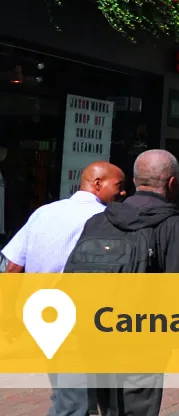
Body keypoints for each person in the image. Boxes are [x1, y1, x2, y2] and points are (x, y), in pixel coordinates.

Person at [68, 149, 179, 416]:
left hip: (95, 334)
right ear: (172, 183)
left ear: (135, 181)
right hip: (144, 340)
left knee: (105, 407)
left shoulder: (98, 221)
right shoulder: (175, 227)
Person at [1, 162, 125, 416]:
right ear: (98, 183)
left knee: (67, 390)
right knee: (73, 401)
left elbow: (12, 266)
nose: (123, 193)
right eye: (119, 186)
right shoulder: (104, 220)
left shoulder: (43, 213)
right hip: (76, 319)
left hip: (41, 316)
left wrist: (8, 315)